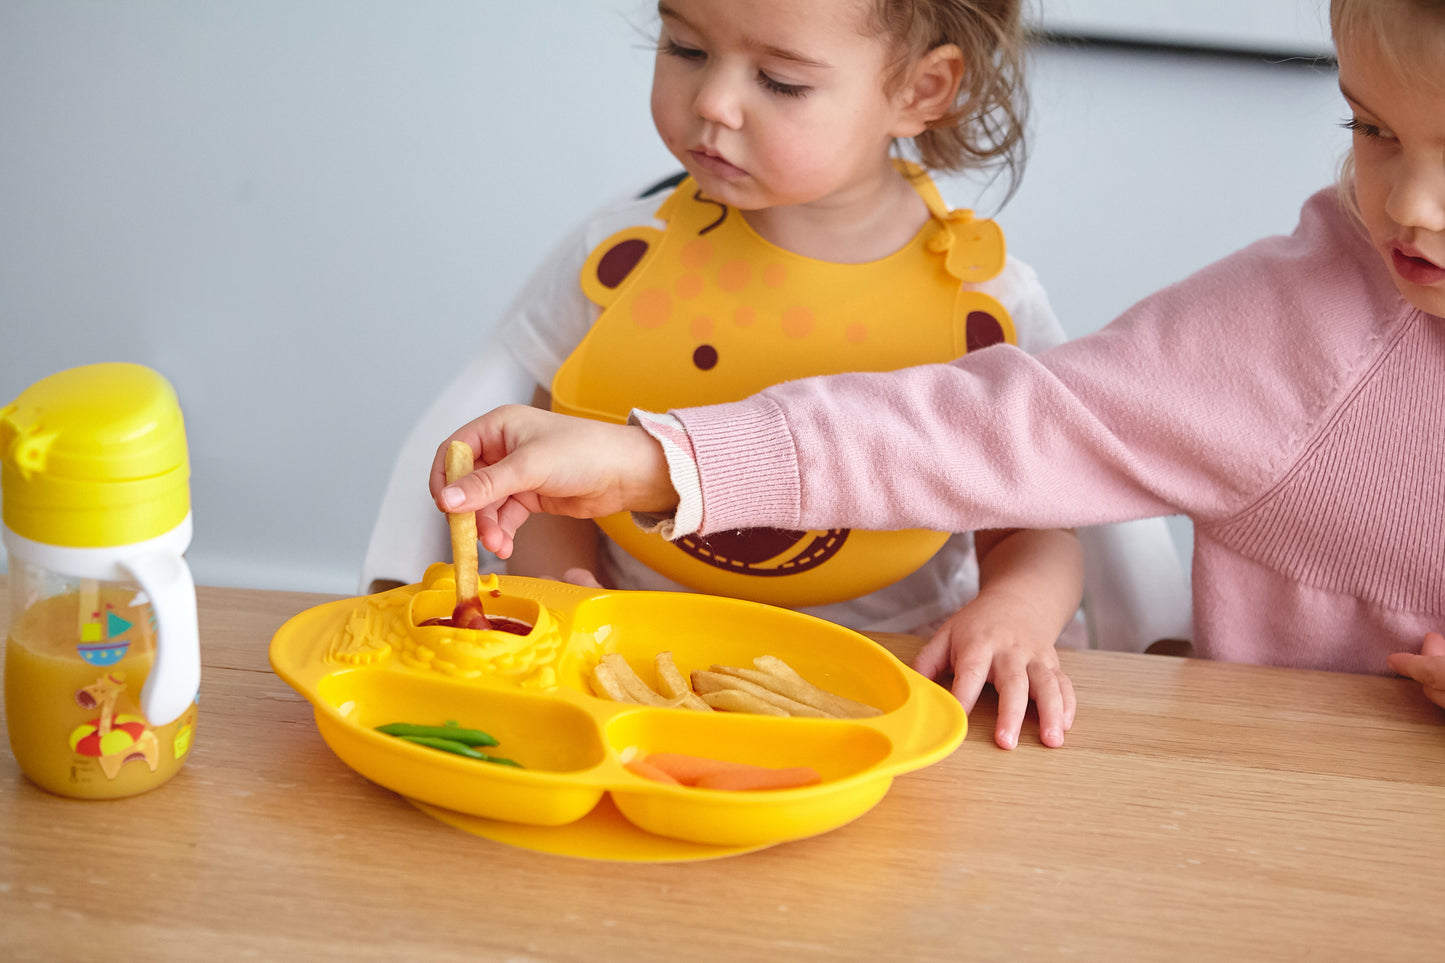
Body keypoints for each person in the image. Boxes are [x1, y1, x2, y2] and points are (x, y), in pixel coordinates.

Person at [432, 0, 1445, 718]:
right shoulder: (1279, 336)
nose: (1406, 206)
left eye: (780, 77)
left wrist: (1013, 611)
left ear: (925, 89)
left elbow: (1033, 523)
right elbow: (996, 437)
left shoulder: (980, 299)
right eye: (1367, 128)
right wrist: (638, 482)